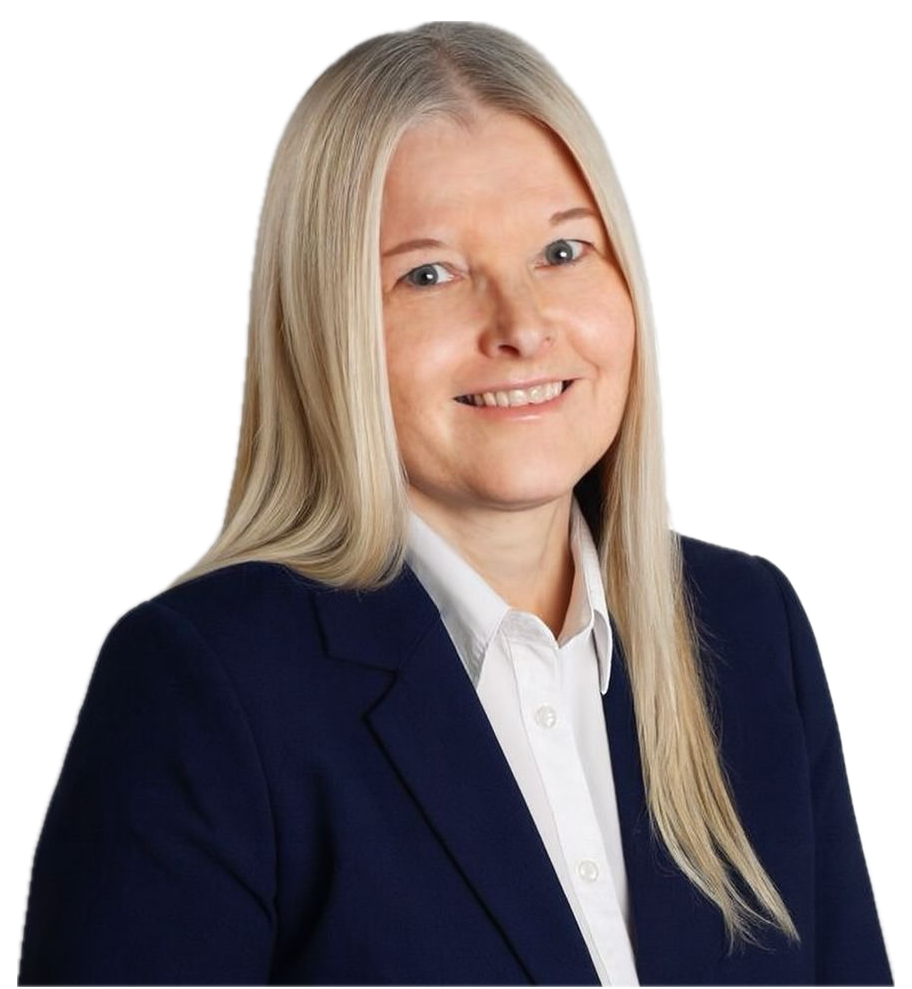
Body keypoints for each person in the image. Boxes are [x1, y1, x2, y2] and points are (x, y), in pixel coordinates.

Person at [17, 20, 892, 987]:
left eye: (563, 250)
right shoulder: (203, 685)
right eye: (429, 273)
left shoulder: (748, 627)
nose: (522, 326)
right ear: (330, 323)